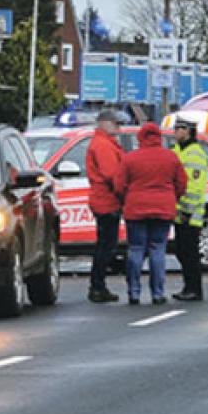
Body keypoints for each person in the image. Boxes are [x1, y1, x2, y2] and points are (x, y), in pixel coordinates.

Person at [113, 122, 186, 305]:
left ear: (140, 138)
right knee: (158, 249)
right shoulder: (171, 158)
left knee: (136, 249)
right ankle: (158, 293)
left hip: (136, 209)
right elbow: (181, 183)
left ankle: (134, 292)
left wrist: (126, 200)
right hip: (163, 209)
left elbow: (119, 185)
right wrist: (171, 197)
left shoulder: (130, 159)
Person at [85, 110, 124, 303]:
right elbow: (112, 174)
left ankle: (98, 286)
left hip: (104, 199)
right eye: (115, 124)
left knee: (105, 245)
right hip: (107, 201)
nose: (118, 128)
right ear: (103, 123)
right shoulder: (103, 145)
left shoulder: (103, 143)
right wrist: (123, 193)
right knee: (106, 246)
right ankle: (97, 286)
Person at [172, 119, 208, 302]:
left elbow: (195, 186)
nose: (176, 132)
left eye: (181, 129)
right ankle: (188, 286)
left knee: (190, 252)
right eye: (175, 128)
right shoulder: (177, 150)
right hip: (178, 213)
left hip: (190, 214)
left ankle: (194, 289)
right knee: (181, 250)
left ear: (190, 132)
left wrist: (186, 210)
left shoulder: (195, 154)